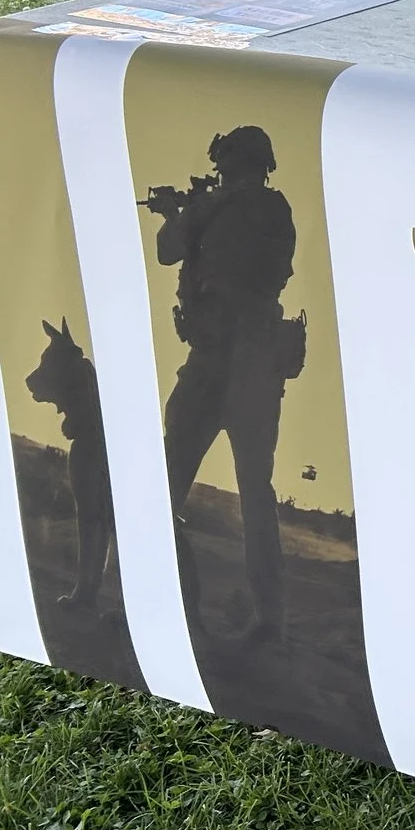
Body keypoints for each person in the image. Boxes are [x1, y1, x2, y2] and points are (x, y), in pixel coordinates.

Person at [148, 125, 301, 645]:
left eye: (225, 163)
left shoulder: (233, 208)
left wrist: (180, 212)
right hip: (234, 361)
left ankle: (182, 599)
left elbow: (172, 249)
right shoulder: (258, 208)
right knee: (236, 488)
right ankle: (259, 615)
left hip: (232, 361)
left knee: (192, 482)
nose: (221, 172)